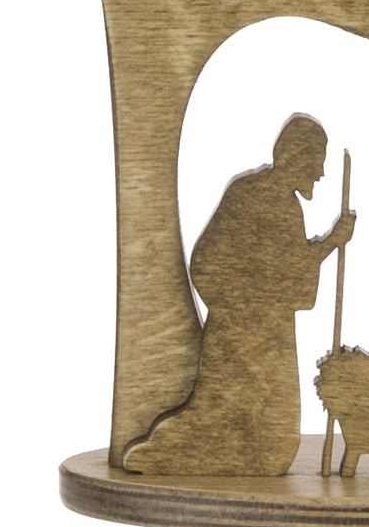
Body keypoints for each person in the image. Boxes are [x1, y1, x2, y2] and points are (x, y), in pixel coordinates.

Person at [123, 114, 355, 475]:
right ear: (295, 156)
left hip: (271, 340)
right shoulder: (248, 195)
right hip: (239, 343)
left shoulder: (288, 207)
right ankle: (166, 453)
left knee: (277, 443)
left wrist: (331, 241)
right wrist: (245, 308)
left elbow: (290, 271)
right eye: (316, 162)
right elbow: (207, 263)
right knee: (232, 421)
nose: (321, 173)